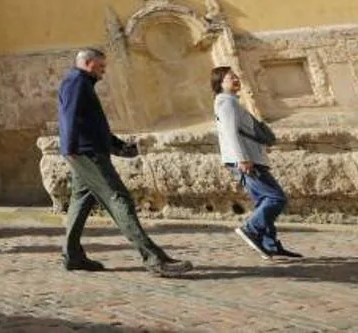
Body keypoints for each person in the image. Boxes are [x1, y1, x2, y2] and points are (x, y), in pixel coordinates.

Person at [57, 49, 192, 277]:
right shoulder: (76, 81)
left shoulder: (82, 82)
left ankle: (73, 256)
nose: (104, 70)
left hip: (86, 151)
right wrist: (69, 148)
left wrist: (118, 146)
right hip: (86, 153)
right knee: (119, 199)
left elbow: (92, 124)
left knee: (80, 201)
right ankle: (153, 259)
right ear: (88, 63)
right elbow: (69, 117)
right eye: (101, 66)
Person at [212, 66, 301, 260]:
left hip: (252, 159)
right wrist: (242, 158)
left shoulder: (232, 102)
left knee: (264, 200)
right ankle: (250, 229)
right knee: (276, 198)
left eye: (236, 76)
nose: (236, 79)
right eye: (230, 77)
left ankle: (270, 245)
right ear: (220, 83)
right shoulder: (226, 103)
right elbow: (229, 133)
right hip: (246, 161)